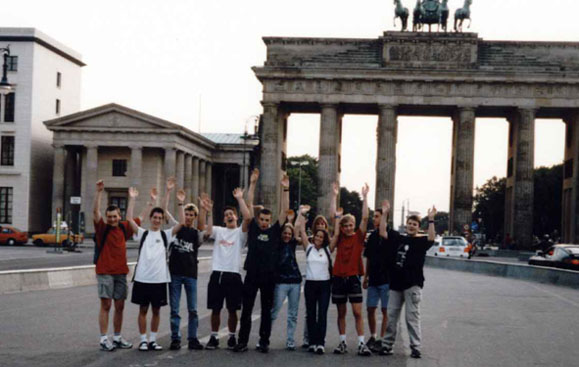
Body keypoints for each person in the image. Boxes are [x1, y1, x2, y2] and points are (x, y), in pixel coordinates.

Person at [233, 170, 290, 353]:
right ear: (258, 219)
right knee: (247, 310)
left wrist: (285, 189)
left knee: (266, 310)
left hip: (269, 276)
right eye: (262, 220)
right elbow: (249, 204)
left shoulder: (274, 231)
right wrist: (252, 183)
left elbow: (284, 211)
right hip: (252, 274)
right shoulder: (254, 229)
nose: (264, 222)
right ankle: (242, 341)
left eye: (267, 220)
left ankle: (264, 341)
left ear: (270, 221)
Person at [93, 179, 149, 352]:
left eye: (114, 216)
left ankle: (117, 337)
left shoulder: (124, 228)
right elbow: (95, 212)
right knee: (106, 305)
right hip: (105, 272)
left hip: (120, 273)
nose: (112, 219)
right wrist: (99, 192)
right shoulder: (103, 228)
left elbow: (139, 219)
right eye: (109, 217)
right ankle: (104, 339)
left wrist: (147, 202)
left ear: (119, 216)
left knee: (120, 306)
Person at [126, 187, 184, 351]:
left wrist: (180, 202)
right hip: (142, 279)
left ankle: (153, 340)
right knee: (143, 310)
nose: (157, 220)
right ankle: (143, 340)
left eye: (160, 218)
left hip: (159, 280)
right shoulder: (142, 234)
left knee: (157, 311)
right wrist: (133, 199)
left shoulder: (166, 235)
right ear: (150, 218)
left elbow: (181, 223)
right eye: (155, 217)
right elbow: (129, 219)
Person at [379, 200, 436, 359]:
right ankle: (387, 345)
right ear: (406, 224)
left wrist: (431, 219)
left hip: (413, 284)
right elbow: (383, 232)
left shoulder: (421, 241)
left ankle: (416, 347)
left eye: (415, 224)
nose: (411, 226)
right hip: (396, 284)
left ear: (419, 227)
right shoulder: (398, 238)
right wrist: (384, 214)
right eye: (410, 223)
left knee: (412, 317)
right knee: (391, 316)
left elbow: (431, 238)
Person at [202, 184, 252, 350]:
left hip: (233, 274)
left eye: (231, 214)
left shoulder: (240, 233)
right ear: (223, 219)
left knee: (232, 309)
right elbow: (205, 231)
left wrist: (240, 199)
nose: (229, 216)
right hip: (217, 273)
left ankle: (231, 337)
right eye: (226, 215)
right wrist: (208, 211)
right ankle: (214, 337)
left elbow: (248, 218)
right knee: (215, 309)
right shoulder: (219, 231)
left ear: (236, 217)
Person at [160, 177, 205, 351]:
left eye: (191, 214)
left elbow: (206, 232)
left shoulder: (195, 234)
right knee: (175, 309)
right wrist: (169, 192)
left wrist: (205, 210)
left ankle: (192, 338)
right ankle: (175, 338)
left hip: (191, 274)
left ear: (194, 217)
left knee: (193, 309)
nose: (188, 217)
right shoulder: (176, 228)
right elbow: (163, 210)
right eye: (186, 213)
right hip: (175, 274)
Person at [329, 182, 372, 356]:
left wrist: (365, 197)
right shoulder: (339, 237)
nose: (348, 227)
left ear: (353, 225)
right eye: (345, 225)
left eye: (350, 225)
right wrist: (333, 195)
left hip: (353, 277)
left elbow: (365, 218)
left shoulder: (359, 237)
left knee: (357, 312)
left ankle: (361, 343)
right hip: (339, 277)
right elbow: (333, 217)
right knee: (341, 312)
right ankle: (342, 342)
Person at [295, 205, 332, 355]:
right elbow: (302, 231)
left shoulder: (328, 249)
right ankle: (311, 342)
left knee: (322, 314)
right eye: (316, 236)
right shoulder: (308, 247)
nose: (318, 238)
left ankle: (320, 343)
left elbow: (335, 233)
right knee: (310, 313)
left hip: (324, 284)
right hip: (310, 284)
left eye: (321, 237)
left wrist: (336, 216)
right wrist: (302, 214)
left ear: (324, 239)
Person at [270, 221, 302, 351]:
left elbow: (298, 227)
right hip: (281, 282)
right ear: (281, 233)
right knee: (274, 311)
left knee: (293, 314)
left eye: (289, 234)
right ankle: (265, 338)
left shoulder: (293, 243)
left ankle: (290, 340)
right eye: (285, 233)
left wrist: (301, 213)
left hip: (295, 282)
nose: (287, 236)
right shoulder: (277, 244)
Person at [362, 208, 389, 352]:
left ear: (385, 218)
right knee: (370, 308)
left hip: (386, 278)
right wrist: (366, 277)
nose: (374, 219)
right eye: (374, 216)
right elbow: (369, 258)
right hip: (373, 278)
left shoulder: (390, 235)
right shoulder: (371, 237)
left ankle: (382, 339)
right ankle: (373, 336)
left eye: (377, 216)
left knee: (385, 310)